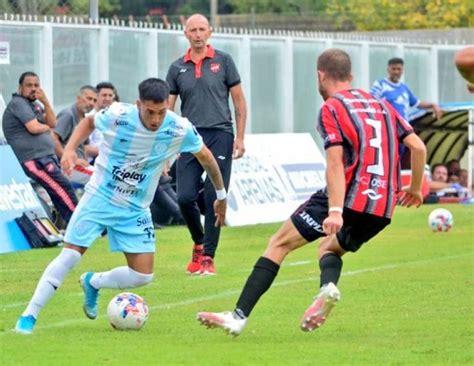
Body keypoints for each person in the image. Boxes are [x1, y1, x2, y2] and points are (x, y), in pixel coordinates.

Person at [196, 48, 427, 336]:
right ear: (350, 76)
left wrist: (334, 211)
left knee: (279, 244)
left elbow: (334, 163)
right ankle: (327, 288)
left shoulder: (332, 107)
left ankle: (238, 316)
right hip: (382, 208)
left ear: (320, 75)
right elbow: (418, 147)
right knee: (329, 247)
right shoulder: (382, 105)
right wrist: (415, 189)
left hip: (347, 197)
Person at [14, 78, 227, 334]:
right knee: (69, 255)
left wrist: (221, 195)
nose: (156, 119)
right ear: (139, 104)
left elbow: (205, 156)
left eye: (161, 112)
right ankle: (29, 316)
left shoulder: (178, 128)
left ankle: (93, 281)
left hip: (134, 210)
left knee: (142, 277)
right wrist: (69, 149)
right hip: (99, 199)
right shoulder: (118, 114)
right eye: (150, 112)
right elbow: (90, 121)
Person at [166, 13, 247, 275]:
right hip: (189, 137)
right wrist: (167, 147)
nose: (198, 34)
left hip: (220, 135)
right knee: (184, 196)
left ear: (209, 32)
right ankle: (199, 243)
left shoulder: (224, 61)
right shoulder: (176, 67)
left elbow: (239, 102)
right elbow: (168, 110)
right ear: (186, 34)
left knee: (214, 195)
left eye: (202, 29)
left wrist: (241, 137)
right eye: (193, 30)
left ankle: (209, 257)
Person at [2, 71, 78, 223]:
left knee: (60, 189)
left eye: (36, 85)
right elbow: (34, 127)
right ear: (20, 88)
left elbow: (53, 123)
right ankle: (79, 224)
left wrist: (46, 102)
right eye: (29, 85)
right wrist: (46, 127)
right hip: (34, 159)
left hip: (45, 157)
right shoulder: (18, 103)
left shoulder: (34, 105)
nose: (33, 88)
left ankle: (73, 224)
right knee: (61, 187)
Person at [370, 57, 443, 122]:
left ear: (402, 71)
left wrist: (433, 105)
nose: (396, 72)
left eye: (399, 69)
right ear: (388, 70)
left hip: (403, 128)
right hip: (388, 127)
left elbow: (417, 103)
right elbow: (370, 102)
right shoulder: (380, 84)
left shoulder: (404, 88)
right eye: (393, 69)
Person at [52, 85, 97, 185]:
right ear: (78, 98)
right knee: (101, 179)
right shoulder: (68, 115)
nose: (91, 103)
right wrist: (71, 158)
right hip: (67, 166)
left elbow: (84, 147)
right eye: (89, 98)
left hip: (81, 165)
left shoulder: (85, 119)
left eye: (94, 101)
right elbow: (53, 139)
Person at [86, 81, 118, 163]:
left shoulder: (115, 118)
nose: (107, 98)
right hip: (94, 161)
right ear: (96, 97)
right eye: (104, 95)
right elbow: (84, 148)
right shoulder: (88, 118)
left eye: (110, 95)